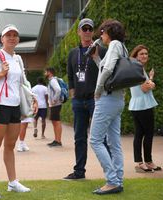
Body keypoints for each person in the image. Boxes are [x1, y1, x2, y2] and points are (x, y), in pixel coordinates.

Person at [0, 24, 38, 199]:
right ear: (2, 39)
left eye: (15, 35)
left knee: (10, 146)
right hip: (0, 106)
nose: (12, 38)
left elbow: (23, 82)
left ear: (18, 39)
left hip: (15, 106)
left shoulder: (18, 59)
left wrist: (32, 97)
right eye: (8, 35)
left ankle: (13, 182)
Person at [64, 18, 107, 180]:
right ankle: (79, 171)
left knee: (101, 137)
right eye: (84, 29)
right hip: (78, 101)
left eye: (90, 29)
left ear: (93, 31)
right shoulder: (73, 54)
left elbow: (107, 72)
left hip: (95, 100)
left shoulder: (101, 50)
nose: (87, 31)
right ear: (79, 32)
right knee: (79, 137)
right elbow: (70, 76)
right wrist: (73, 94)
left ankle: (109, 172)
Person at [89, 19, 127, 195]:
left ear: (108, 31)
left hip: (107, 99)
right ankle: (117, 180)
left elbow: (108, 70)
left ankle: (112, 180)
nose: (100, 35)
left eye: (102, 32)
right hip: (118, 100)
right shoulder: (122, 47)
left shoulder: (114, 45)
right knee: (114, 143)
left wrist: (97, 90)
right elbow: (107, 69)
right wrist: (97, 58)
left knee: (95, 140)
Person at [129, 45, 161, 172]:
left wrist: (150, 79)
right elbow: (144, 88)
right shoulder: (138, 69)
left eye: (146, 54)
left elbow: (144, 86)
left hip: (138, 105)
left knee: (140, 134)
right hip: (143, 106)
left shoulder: (138, 69)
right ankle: (147, 161)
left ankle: (140, 162)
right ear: (136, 56)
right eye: (141, 54)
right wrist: (152, 81)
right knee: (147, 134)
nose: (144, 56)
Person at [45, 67, 62, 147]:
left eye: (45, 72)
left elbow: (58, 90)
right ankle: (56, 140)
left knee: (56, 122)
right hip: (55, 104)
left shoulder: (53, 81)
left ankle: (58, 141)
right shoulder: (52, 81)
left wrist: (54, 100)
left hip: (55, 104)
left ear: (49, 72)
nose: (44, 74)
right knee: (54, 122)